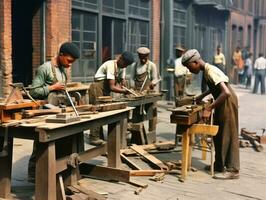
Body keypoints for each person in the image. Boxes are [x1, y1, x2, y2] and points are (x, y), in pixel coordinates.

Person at [182, 49, 240, 180]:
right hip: (222, 101)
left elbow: (226, 92)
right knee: (219, 134)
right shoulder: (207, 70)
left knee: (228, 133)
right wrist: (201, 96)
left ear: (196, 62)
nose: (189, 70)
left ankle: (233, 169)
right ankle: (219, 164)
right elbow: (214, 87)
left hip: (227, 102)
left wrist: (209, 109)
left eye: (189, 67)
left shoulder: (211, 70)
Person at [28, 42, 80, 182]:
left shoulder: (62, 69)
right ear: (61, 55)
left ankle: (57, 170)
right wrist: (52, 87)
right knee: (42, 143)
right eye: (69, 61)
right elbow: (33, 91)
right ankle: (33, 174)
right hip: (44, 111)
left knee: (62, 140)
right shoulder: (45, 68)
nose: (70, 65)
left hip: (57, 110)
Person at [88, 51, 135, 145]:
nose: (125, 66)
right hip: (97, 87)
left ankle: (100, 136)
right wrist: (125, 91)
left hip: (105, 89)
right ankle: (93, 137)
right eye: (124, 63)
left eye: (127, 65)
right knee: (96, 111)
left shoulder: (122, 67)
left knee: (103, 112)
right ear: (120, 58)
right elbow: (112, 87)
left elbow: (122, 82)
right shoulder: (110, 65)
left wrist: (125, 88)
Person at [129, 47, 160, 142]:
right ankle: (137, 137)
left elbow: (155, 78)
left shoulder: (151, 66)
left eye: (145, 57)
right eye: (141, 57)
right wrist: (133, 88)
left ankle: (151, 136)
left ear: (148, 56)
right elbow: (131, 78)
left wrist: (152, 84)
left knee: (152, 113)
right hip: (137, 93)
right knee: (136, 115)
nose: (143, 59)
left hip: (149, 93)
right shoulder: (134, 66)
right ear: (138, 56)